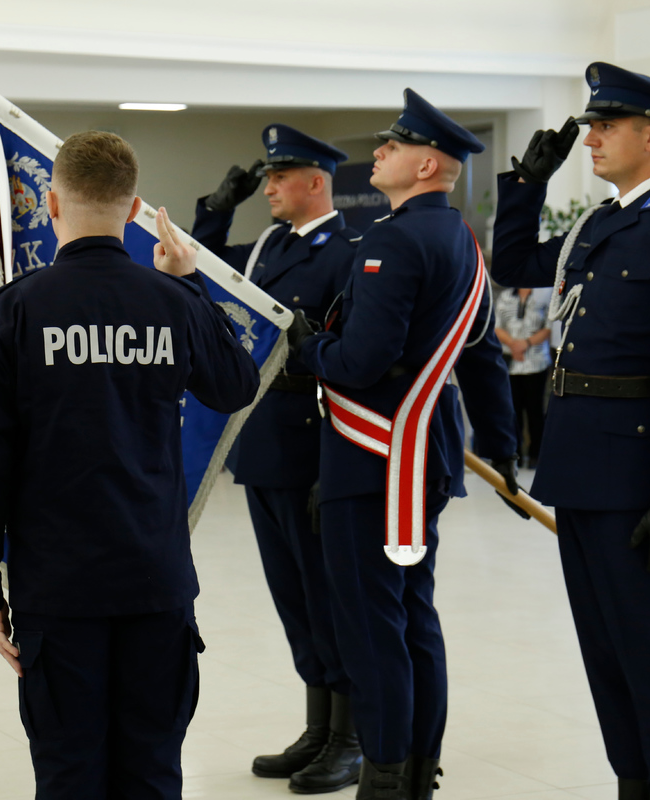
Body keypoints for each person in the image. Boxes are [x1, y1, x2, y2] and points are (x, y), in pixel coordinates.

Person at [0, 131, 260, 800]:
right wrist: (192, 287)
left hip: (58, 590)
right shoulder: (174, 304)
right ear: (135, 207)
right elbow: (236, 386)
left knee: (70, 773)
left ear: (52, 204)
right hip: (155, 580)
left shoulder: (13, 313)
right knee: (152, 770)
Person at [492, 63, 650, 800]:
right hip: (581, 470)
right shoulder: (595, 228)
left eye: (606, 126)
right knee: (605, 652)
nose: (590, 138)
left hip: (638, 481)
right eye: (591, 125)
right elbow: (511, 265)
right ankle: (633, 782)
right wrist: (526, 186)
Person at [291, 89, 521, 799]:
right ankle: (419, 766)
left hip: (376, 458)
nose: (378, 153)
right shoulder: (461, 240)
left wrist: (309, 349)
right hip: (427, 454)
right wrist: (503, 444)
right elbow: (482, 356)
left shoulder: (392, 240)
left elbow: (360, 362)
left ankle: (385, 773)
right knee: (413, 614)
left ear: (427, 164)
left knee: (371, 624)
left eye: (392, 146)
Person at [191, 124, 363, 792]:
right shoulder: (267, 247)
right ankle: (317, 726)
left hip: (316, 441)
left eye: (277, 177)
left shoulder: (347, 250)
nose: (268, 187)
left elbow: (350, 361)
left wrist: (337, 465)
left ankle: (349, 737)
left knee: (328, 596)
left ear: (316, 182)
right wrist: (218, 207)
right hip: (265, 441)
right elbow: (203, 278)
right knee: (293, 596)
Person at [493, 286, 552, 469]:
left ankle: (536, 455)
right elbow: (497, 326)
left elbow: (549, 326)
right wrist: (513, 344)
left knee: (535, 411)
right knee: (512, 410)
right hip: (510, 362)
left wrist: (525, 344)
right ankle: (514, 454)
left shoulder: (545, 294)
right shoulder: (505, 296)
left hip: (536, 361)